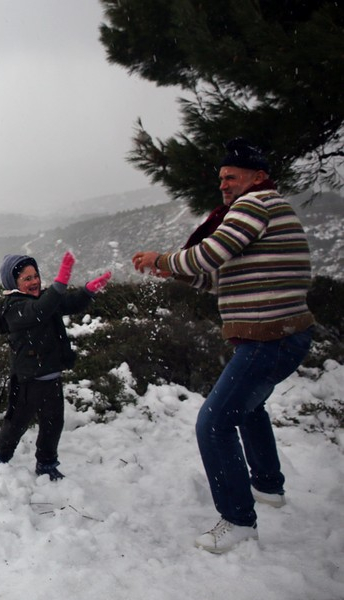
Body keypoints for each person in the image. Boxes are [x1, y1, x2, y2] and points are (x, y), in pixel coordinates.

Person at [132, 138, 315, 554]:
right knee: (248, 408)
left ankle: (237, 520)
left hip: (270, 337)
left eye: (231, 176)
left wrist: (162, 260)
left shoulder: (254, 205)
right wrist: (174, 273)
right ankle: (268, 486)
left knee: (213, 424)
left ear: (258, 177)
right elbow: (217, 275)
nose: (224, 185)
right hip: (286, 335)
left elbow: (208, 255)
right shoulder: (270, 209)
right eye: (221, 178)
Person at [0, 251, 111, 480]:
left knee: (53, 424)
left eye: (36, 275)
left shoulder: (43, 299)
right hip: (27, 380)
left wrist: (88, 291)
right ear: (13, 283)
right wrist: (61, 280)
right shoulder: (13, 307)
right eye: (27, 278)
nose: (34, 281)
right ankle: (1, 457)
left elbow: (69, 303)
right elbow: (39, 312)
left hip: (51, 376)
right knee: (16, 422)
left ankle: (46, 463)